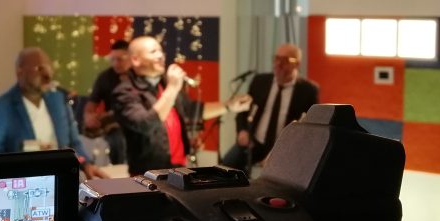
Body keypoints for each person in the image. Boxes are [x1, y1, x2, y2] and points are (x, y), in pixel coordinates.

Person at [112, 36, 252, 176]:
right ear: (135, 60)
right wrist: (172, 88)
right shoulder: (125, 91)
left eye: (161, 51)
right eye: (153, 52)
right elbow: (146, 124)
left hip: (177, 168)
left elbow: (192, 110)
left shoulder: (164, 84)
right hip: (147, 174)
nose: (160, 56)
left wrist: (228, 106)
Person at [0, 48, 108, 180]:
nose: (47, 75)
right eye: (39, 68)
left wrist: (86, 164)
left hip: (61, 180)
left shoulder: (59, 101)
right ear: (20, 71)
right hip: (22, 183)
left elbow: (74, 143)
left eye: (49, 68)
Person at [222, 43, 319, 171]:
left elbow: (311, 128)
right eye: (276, 58)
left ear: (297, 64)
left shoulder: (308, 90)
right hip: (254, 142)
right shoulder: (260, 81)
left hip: (284, 148)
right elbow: (243, 112)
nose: (278, 64)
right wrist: (242, 131)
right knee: (224, 167)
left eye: (285, 60)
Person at [83, 39, 131, 164]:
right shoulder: (104, 77)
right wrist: (89, 117)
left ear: (131, 58)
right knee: (118, 139)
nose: (115, 63)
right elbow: (90, 105)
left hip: (139, 121)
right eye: (112, 59)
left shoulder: (140, 75)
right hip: (115, 124)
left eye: (120, 59)